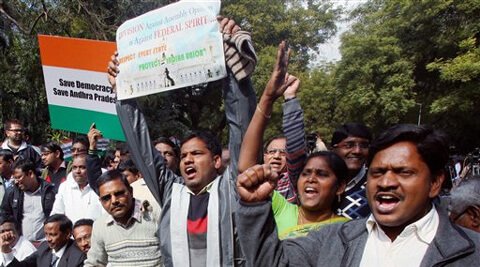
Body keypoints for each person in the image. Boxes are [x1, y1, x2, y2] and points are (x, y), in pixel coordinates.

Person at [108, 16, 259, 266]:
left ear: (217, 160)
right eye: (185, 155)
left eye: (197, 154)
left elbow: (242, 128)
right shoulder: (170, 191)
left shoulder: (232, 186)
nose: (188, 159)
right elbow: (141, 146)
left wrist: (233, 69)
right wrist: (122, 92)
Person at [236, 124, 480, 266]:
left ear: (435, 183)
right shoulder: (332, 239)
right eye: (378, 172)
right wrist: (254, 207)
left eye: (403, 172)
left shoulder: (471, 252)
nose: (386, 182)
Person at [84, 170, 161, 266]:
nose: (114, 201)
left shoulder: (154, 213)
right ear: (100, 201)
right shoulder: (100, 226)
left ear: (131, 191)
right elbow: (94, 263)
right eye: (106, 198)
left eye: (119, 193)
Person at [272, 151, 349, 239]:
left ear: (340, 187)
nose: (311, 179)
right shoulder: (280, 208)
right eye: (305, 174)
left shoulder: (346, 230)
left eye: (322, 174)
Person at [0, 159, 55, 243]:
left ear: (30, 174)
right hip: (23, 245)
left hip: (46, 244)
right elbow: (5, 215)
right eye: (15, 178)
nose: (16, 181)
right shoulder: (12, 193)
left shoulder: (50, 191)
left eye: (19, 177)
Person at [0, 214, 85, 267]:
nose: (48, 239)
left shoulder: (78, 256)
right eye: (46, 234)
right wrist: (6, 250)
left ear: (67, 234)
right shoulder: (44, 248)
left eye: (53, 234)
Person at [331, 123, 372, 219]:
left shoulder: (375, 185)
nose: (357, 151)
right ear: (333, 149)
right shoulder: (322, 182)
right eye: (349, 145)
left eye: (364, 145)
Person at [50, 154, 103, 223]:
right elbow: (57, 213)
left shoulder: (100, 188)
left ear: (90, 169)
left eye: (82, 167)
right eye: (74, 167)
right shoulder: (64, 187)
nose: (77, 171)